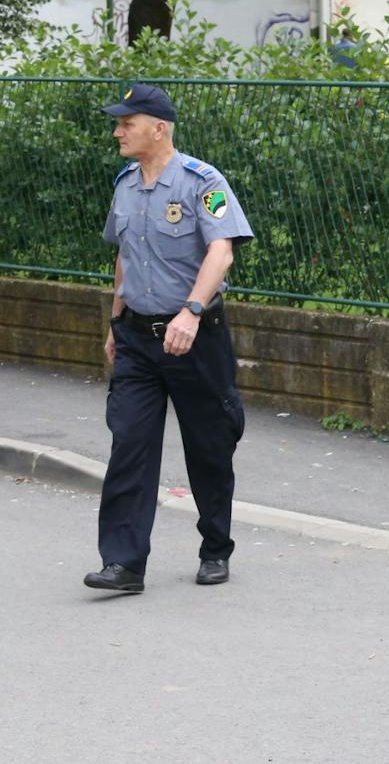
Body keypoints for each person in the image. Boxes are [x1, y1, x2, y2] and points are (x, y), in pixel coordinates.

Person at [85, 84, 253, 594]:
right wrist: (116, 321)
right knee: (130, 445)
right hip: (137, 338)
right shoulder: (125, 185)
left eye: (126, 123)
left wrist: (192, 312)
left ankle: (215, 548)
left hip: (194, 338)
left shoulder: (203, 182)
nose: (117, 131)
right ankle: (124, 564)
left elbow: (220, 252)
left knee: (208, 445)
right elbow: (124, 257)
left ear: (158, 128)